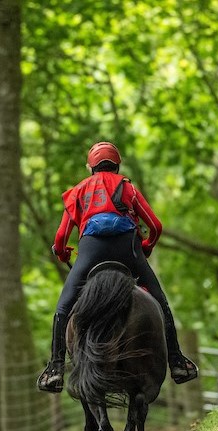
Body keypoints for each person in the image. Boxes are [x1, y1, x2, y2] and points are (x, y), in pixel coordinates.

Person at [36, 141, 199, 393]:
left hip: (91, 251)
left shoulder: (78, 191)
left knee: (63, 306)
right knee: (160, 302)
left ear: (91, 167)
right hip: (128, 249)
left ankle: (56, 368)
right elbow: (155, 225)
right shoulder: (127, 187)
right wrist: (146, 245)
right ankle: (177, 362)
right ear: (117, 165)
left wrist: (63, 253)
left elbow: (60, 238)